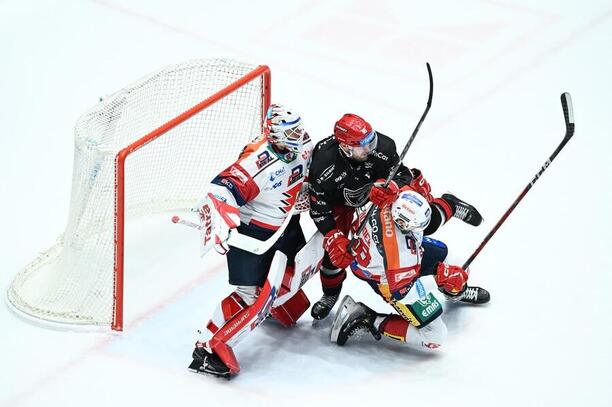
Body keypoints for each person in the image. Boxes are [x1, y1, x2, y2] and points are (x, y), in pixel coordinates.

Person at [308, 113, 483, 320]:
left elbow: (403, 175)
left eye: (370, 140)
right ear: (346, 147)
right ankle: (330, 295)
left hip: (381, 196)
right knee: (334, 258)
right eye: (363, 145)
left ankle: (448, 205)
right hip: (341, 205)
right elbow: (319, 209)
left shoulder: (383, 147)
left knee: (420, 221)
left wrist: (391, 185)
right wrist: (333, 236)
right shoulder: (322, 164)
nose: (370, 148)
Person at [188, 104, 313, 379]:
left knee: (294, 273)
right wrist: (222, 222)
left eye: (298, 128)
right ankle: (205, 346)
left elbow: (308, 170)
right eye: (290, 130)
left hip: (286, 225)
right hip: (252, 236)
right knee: (248, 295)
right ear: (275, 133)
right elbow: (222, 189)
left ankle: (278, 309)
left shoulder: (303, 143)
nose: (298, 134)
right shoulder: (257, 161)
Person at [330, 188, 490, 348]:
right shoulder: (398, 252)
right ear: (403, 224)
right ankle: (369, 318)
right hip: (386, 277)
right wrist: (438, 279)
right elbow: (403, 293)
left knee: (453, 261)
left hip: (381, 255)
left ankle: (451, 292)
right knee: (435, 336)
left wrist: (448, 205)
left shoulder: (391, 198)